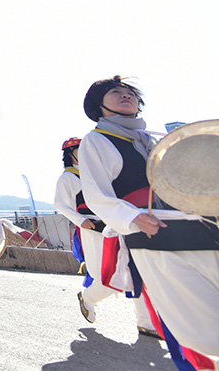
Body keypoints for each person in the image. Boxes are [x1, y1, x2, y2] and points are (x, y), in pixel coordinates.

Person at [78, 76, 219, 359]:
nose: (126, 95)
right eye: (115, 92)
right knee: (190, 316)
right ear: (98, 105)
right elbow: (97, 194)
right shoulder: (96, 140)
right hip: (151, 233)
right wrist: (133, 218)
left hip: (195, 225)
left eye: (129, 92)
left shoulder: (153, 139)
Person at [54, 136, 154, 335]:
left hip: (117, 225)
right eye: (79, 149)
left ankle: (145, 322)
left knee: (134, 271)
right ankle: (87, 298)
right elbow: (61, 204)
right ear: (70, 154)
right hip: (94, 230)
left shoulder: (97, 173)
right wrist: (80, 220)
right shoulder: (68, 178)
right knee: (110, 277)